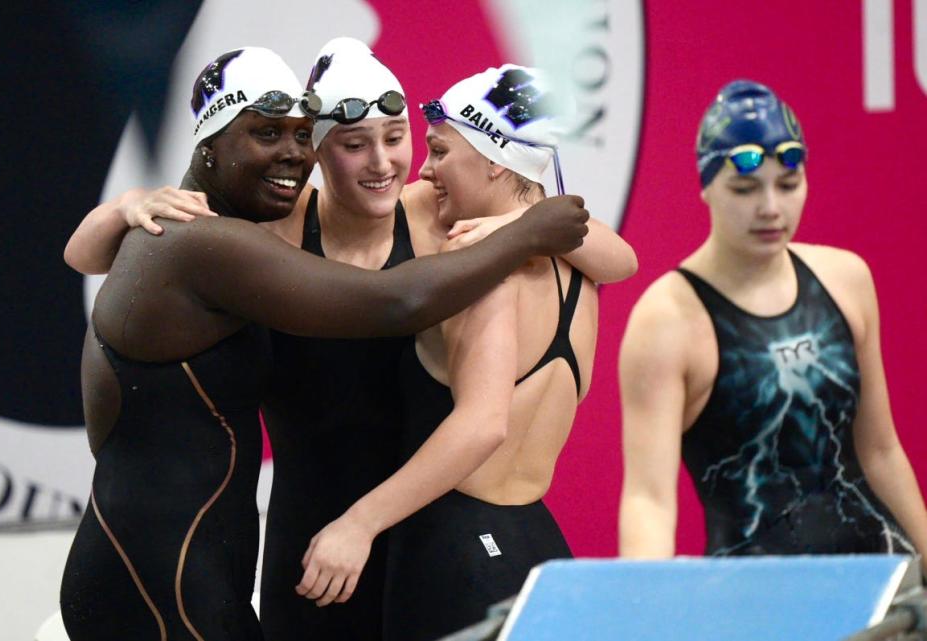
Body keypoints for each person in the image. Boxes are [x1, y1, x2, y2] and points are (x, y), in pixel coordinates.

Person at [63, 39, 635, 641]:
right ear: (319, 152)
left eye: (396, 138)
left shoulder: (434, 214)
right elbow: (90, 255)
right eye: (354, 144)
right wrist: (128, 204)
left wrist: (523, 223)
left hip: (412, 521)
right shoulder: (280, 222)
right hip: (310, 535)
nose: (383, 163)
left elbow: (615, 256)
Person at [292, 64, 626, 641]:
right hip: (537, 545)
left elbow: (482, 424)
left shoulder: (487, 269)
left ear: (495, 159)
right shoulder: (579, 272)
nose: (424, 169)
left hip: (455, 553)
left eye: (441, 151)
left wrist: (357, 524)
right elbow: (624, 258)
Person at [617, 80, 927, 565]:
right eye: (744, 188)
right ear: (706, 186)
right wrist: (643, 607)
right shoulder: (668, 320)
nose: (770, 208)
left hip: (881, 585)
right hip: (759, 604)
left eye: (788, 185)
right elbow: (648, 499)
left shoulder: (846, 279)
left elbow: (882, 450)